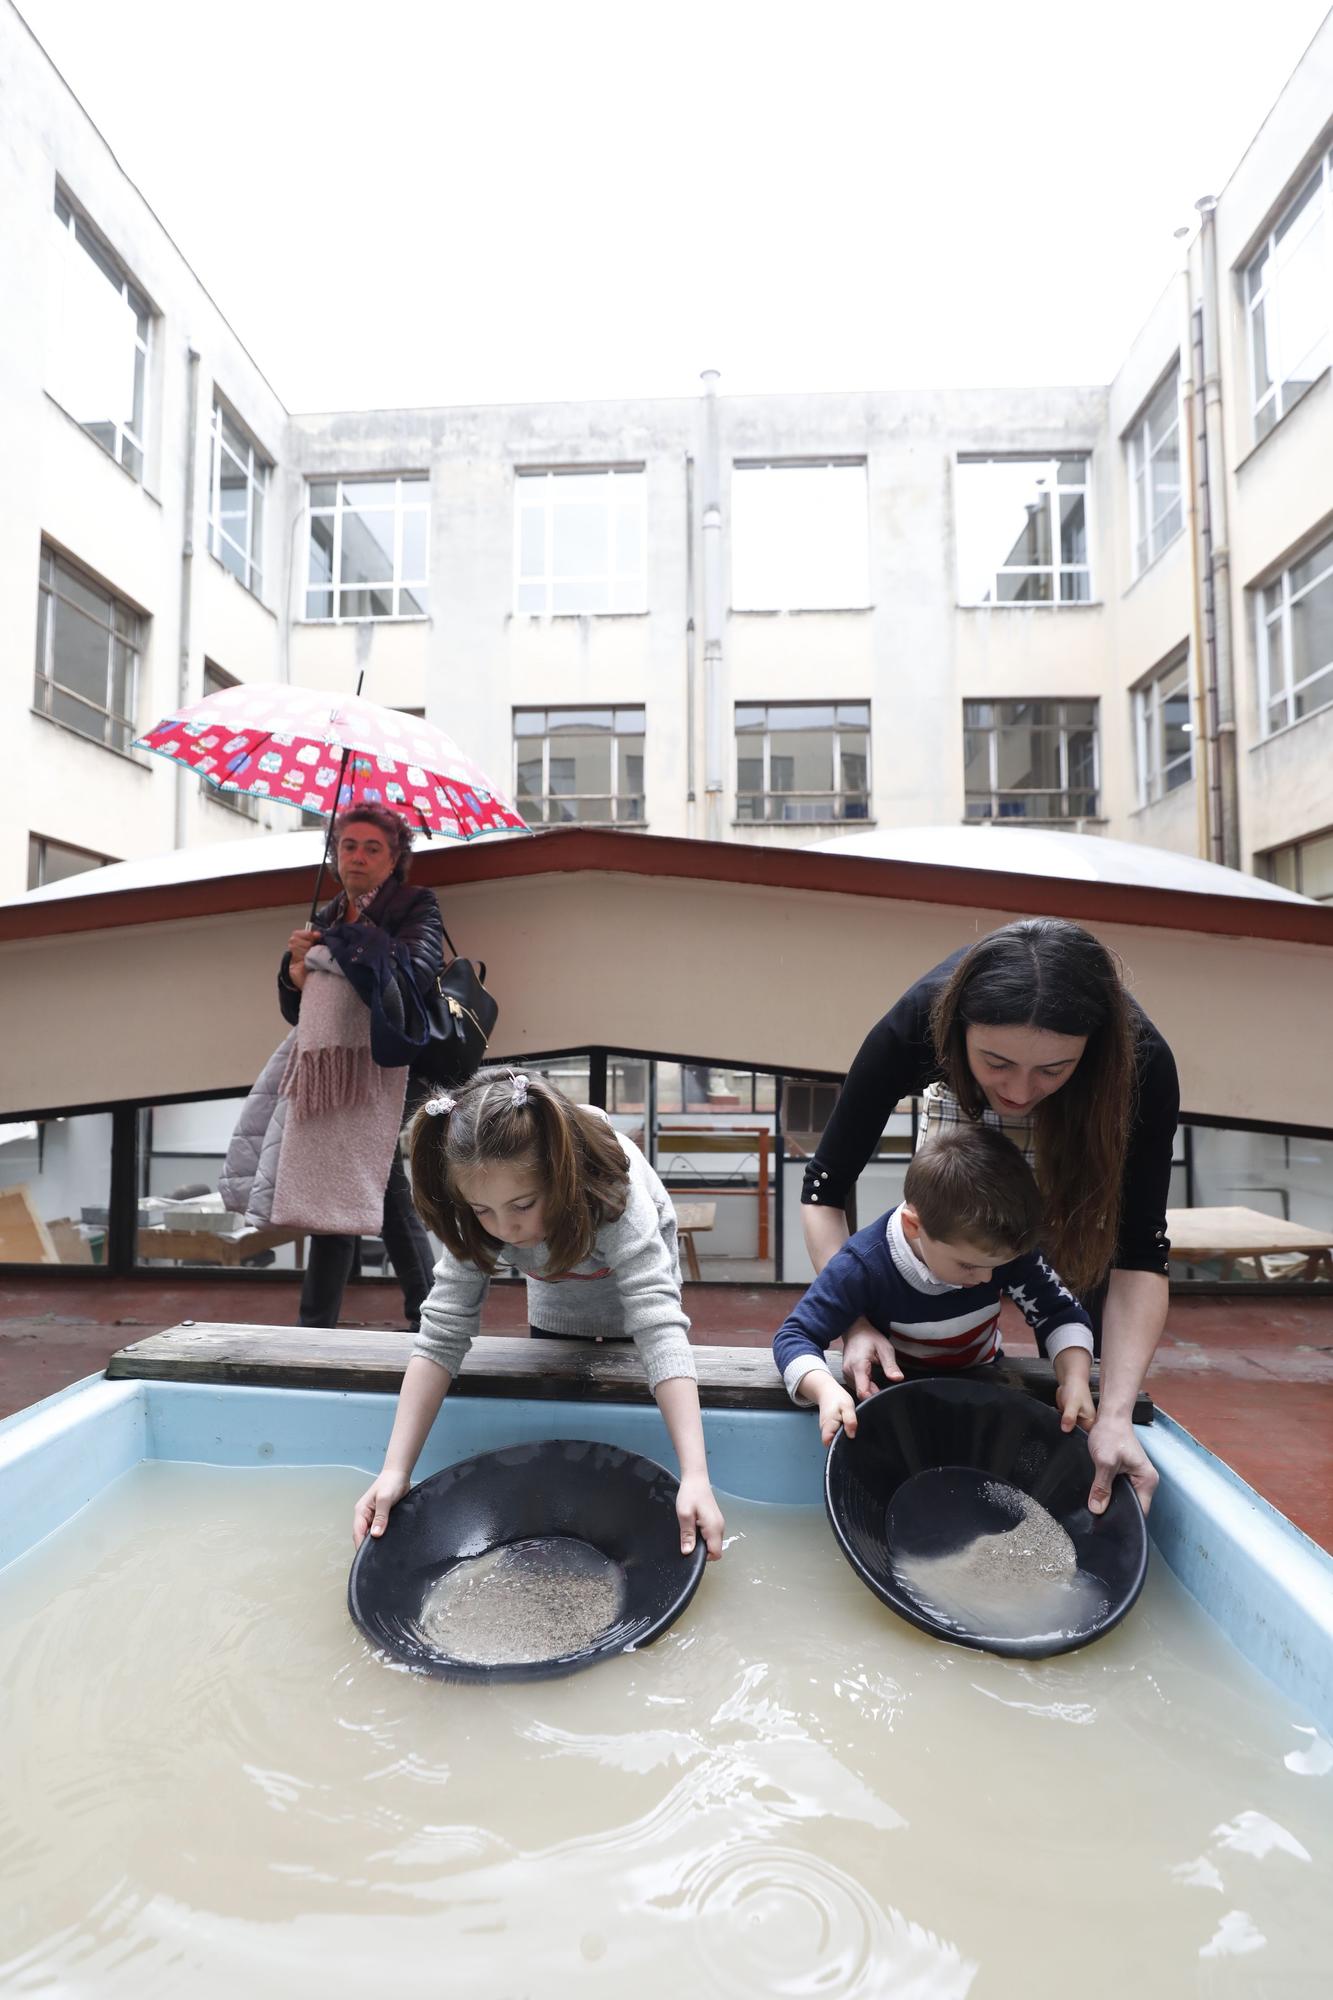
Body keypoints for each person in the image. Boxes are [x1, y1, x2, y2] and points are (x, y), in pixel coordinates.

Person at [801, 918, 1179, 1515]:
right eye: (997, 1062)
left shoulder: (1143, 1060)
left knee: (1081, 1366)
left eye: (1052, 1069)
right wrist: (857, 1323)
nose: (1021, 1092)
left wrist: (1113, 1415)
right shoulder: (919, 1021)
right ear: (957, 1030)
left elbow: (1140, 1250)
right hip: (961, 1202)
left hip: (1072, 1217)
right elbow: (824, 1185)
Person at [352, 1067, 726, 1561]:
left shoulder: (613, 1191)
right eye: (483, 1210)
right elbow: (441, 1333)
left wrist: (695, 1476)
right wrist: (394, 1470)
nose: (503, 1227)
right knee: (561, 1407)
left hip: (632, 1286)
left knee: (629, 1401)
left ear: (559, 1174)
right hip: (555, 1291)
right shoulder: (482, 1210)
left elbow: (657, 1324)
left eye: (522, 1205)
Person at [776, 1125, 1095, 1444]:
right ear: (914, 1227)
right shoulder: (862, 1267)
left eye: (996, 1267)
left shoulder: (998, 1251)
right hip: (893, 1402)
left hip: (981, 1387)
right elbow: (795, 1336)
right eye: (968, 1265)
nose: (987, 1279)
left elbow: (1061, 1314)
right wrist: (825, 1390)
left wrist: (1075, 1378)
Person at [279, 806, 444, 1330]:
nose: (358, 857)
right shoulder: (327, 915)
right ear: (335, 854)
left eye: (373, 848)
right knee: (347, 1185)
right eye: (348, 845)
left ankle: (423, 1315)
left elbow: (415, 972)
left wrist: (347, 943)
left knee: (370, 1180)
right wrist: (293, 970)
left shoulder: (416, 905)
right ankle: (334, 1322)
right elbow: (300, 1009)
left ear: (395, 859)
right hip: (339, 1070)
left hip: (394, 1068)